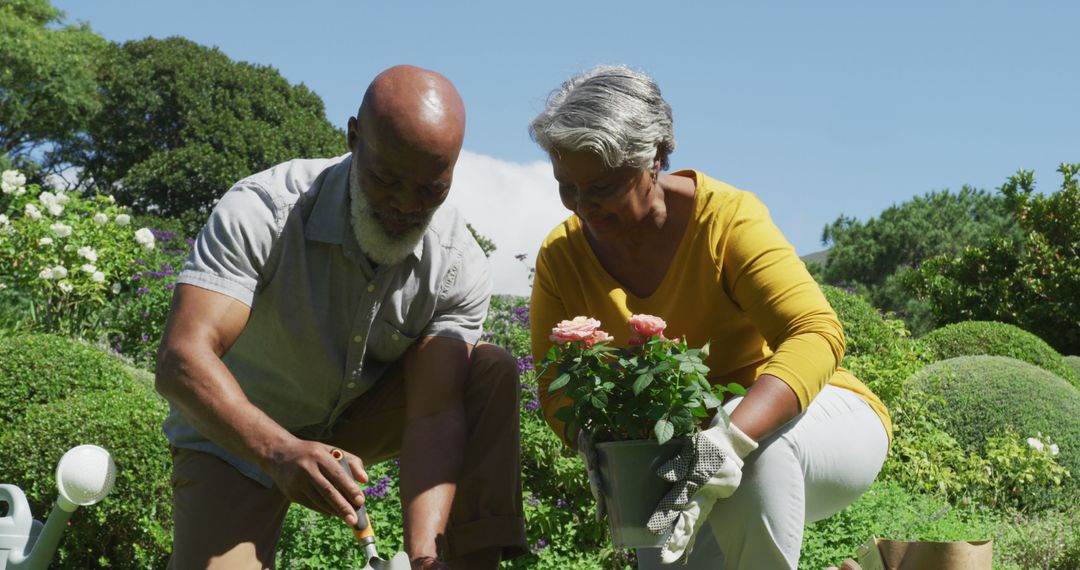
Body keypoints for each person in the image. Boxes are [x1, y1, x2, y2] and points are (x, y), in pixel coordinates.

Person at [156, 65, 526, 570]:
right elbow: (182, 358)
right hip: (237, 432)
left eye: (430, 190)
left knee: (489, 371)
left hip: (358, 417)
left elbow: (435, 413)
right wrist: (281, 451)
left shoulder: (457, 261)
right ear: (354, 138)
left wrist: (423, 555)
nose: (404, 205)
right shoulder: (264, 210)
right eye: (386, 179)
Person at [527, 65, 891, 569]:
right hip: (683, 459)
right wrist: (594, 444)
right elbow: (555, 383)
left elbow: (816, 333)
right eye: (567, 187)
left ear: (654, 157)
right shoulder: (562, 257)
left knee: (758, 460)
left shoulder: (726, 219)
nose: (583, 207)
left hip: (816, 425)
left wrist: (730, 438)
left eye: (603, 187)